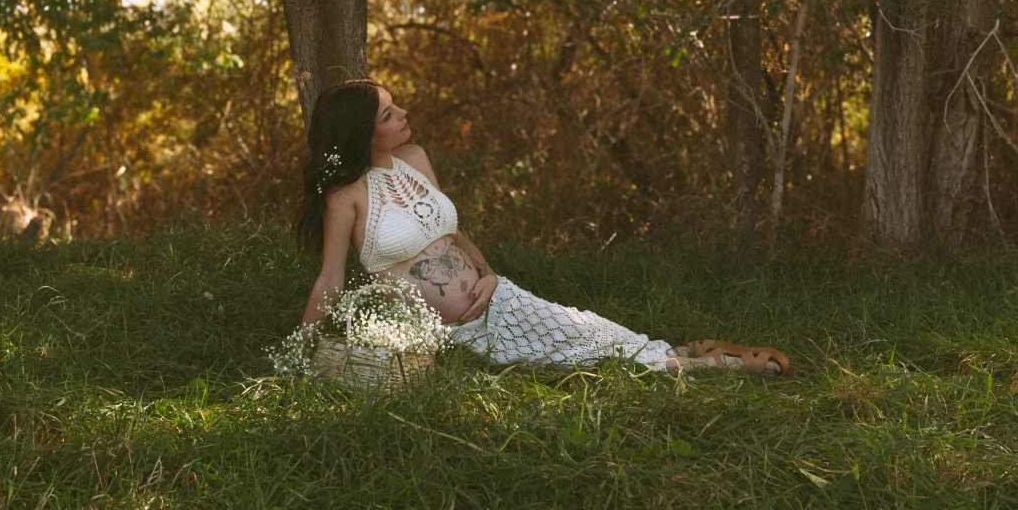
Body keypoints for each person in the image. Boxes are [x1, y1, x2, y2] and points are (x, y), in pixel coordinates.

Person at [296, 79, 790, 376]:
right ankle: (714, 366)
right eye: (388, 112)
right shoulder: (346, 196)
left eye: (394, 103)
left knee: (594, 333)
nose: (403, 112)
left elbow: (454, 234)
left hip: (499, 299)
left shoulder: (415, 159)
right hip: (451, 333)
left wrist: (487, 275)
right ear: (364, 132)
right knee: (589, 361)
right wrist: (300, 352)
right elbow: (331, 281)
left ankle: (696, 356)